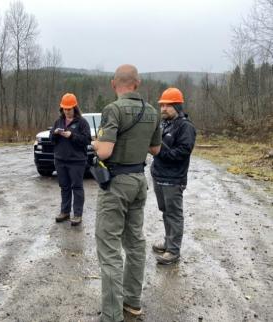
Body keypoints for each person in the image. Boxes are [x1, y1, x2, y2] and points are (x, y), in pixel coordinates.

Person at [91, 64, 161, 321]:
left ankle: (111, 315)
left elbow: (105, 152)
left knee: (109, 247)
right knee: (135, 243)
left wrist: (95, 143)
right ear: (137, 83)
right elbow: (156, 150)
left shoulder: (113, 109)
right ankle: (132, 302)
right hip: (139, 181)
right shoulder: (152, 111)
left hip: (117, 184)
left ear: (113, 84)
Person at [150, 87, 196, 265]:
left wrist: (159, 151)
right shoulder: (164, 123)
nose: (162, 109)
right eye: (161, 105)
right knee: (165, 212)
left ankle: (173, 251)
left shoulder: (186, 127)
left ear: (176, 106)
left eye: (166, 106)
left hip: (173, 179)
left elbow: (182, 153)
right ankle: (168, 242)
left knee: (174, 214)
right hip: (158, 176)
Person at [50, 93, 91, 226]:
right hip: (60, 160)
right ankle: (65, 212)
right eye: (65, 109)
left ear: (75, 107)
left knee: (77, 187)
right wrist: (55, 134)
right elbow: (52, 140)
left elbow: (86, 140)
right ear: (61, 108)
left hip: (76, 161)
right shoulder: (58, 121)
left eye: (69, 109)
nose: (67, 111)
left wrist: (72, 135)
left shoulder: (82, 123)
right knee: (64, 187)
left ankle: (77, 214)